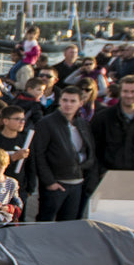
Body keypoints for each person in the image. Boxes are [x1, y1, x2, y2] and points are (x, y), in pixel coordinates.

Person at [33, 87, 96, 222]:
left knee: (68, 225)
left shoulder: (83, 123)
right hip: (56, 184)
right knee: (45, 225)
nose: (68, 104)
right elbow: (39, 154)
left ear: (80, 103)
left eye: (73, 101)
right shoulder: (46, 123)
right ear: (59, 101)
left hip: (77, 183)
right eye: (65, 100)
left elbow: (89, 150)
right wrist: (49, 182)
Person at [90, 75, 134, 173]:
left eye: (133, 92)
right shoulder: (103, 117)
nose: (129, 95)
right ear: (120, 92)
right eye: (125, 91)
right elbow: (94, 148)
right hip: (109, 175)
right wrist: (101, 171)